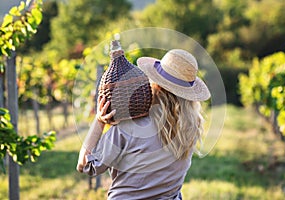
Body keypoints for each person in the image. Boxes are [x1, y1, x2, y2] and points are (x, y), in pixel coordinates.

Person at [76, 49, 211, 199]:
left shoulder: (128, 127)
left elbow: (86, 165)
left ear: (155, 86)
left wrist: (99, 121)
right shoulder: (190, 130)